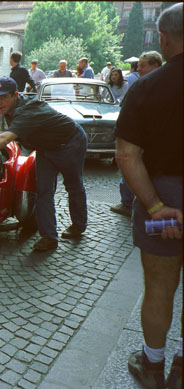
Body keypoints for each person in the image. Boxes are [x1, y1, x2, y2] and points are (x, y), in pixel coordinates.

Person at [116, 4, 182, 388]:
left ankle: (153, 366)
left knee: (159, 285)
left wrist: (157, 206)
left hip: (161, 195)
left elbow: (126, 155)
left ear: (164, 38)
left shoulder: (146, 86)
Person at [0, 78, 88, 251]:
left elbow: (5, 138)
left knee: (73, 185)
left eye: (3, 97)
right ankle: (49, 237)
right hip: (45, 148)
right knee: (43, 191)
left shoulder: (28, 110)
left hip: (70, 143)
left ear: (15, 95)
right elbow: (7, 136)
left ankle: (78, 225)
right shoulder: (11, 109)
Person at [109, 51, 163, 218]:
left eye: (142, 66)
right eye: (138, 66)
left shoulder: (148, 86)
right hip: (149, 143)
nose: (138, 69)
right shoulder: (151, 84)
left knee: (131, 171)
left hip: (144, 143)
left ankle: (130, 205)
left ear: (155, 66)